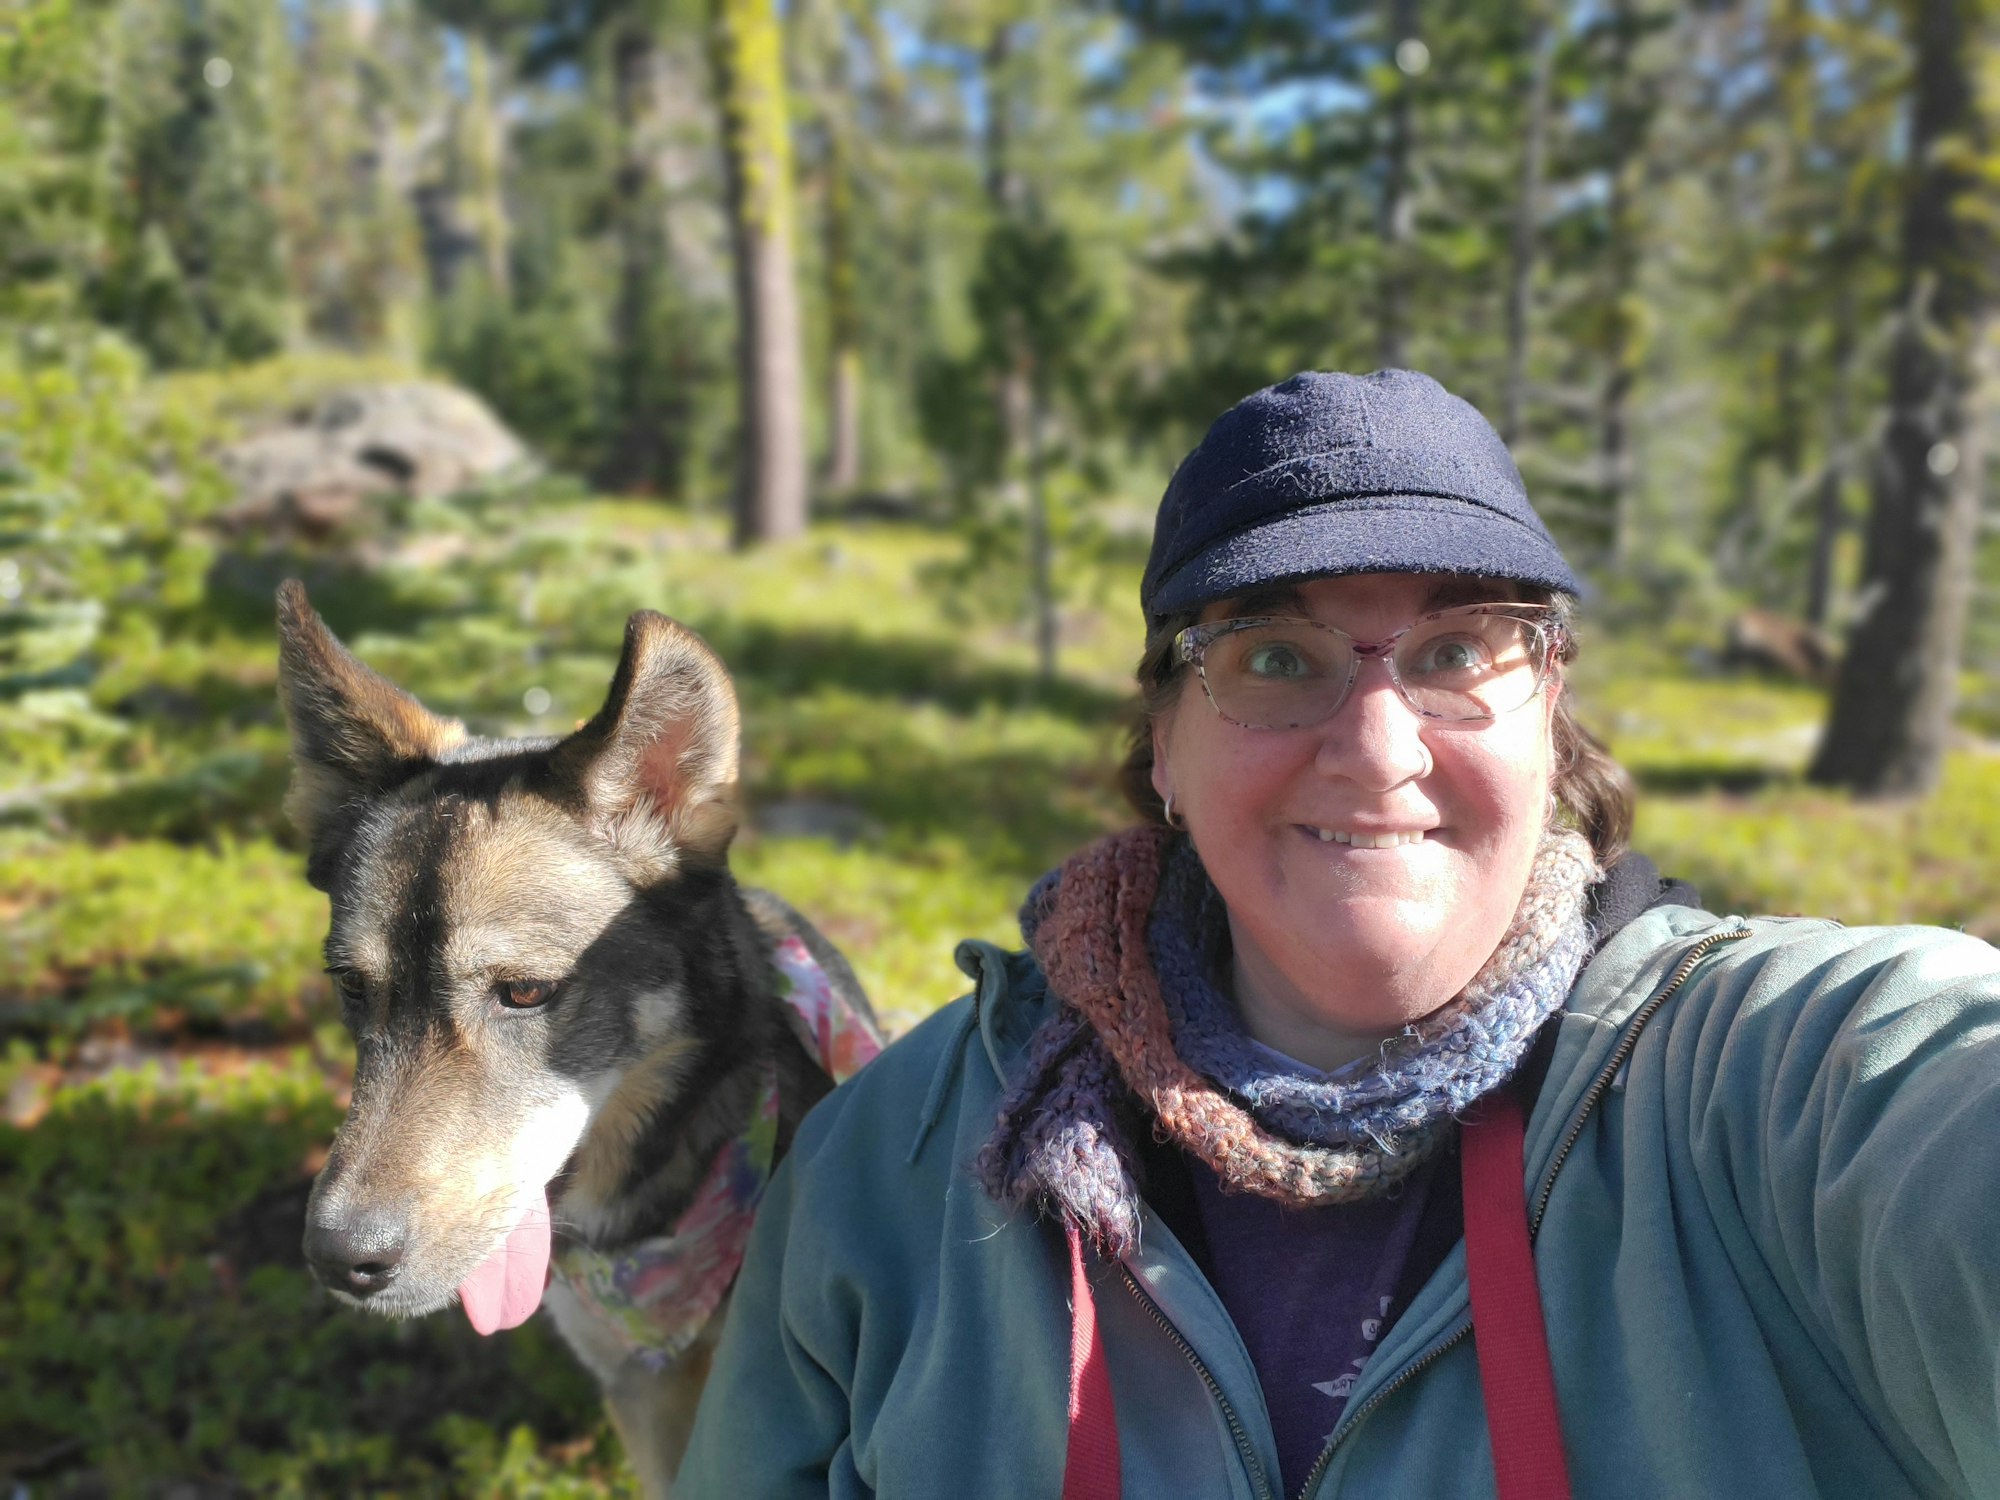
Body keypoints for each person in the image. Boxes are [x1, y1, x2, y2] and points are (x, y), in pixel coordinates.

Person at [677, 370, 2000, 1499]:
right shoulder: (897, 1170)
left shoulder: (1773, 1097)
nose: (1377, 751)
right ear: (1164, 752)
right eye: (1274, 656)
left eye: (1457, 650)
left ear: (1552, 720)